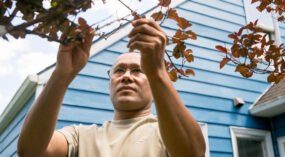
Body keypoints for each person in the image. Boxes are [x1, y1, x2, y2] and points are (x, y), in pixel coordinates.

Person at [17, 18, 206, 157]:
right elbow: (31, 151)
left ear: (153, 85)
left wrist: (157, 71)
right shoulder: (80, 137)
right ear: (110, 85)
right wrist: (62, 73)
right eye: (119, 71)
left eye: (138, 71)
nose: (126, 76)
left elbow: (192, 153)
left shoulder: (166, 132)